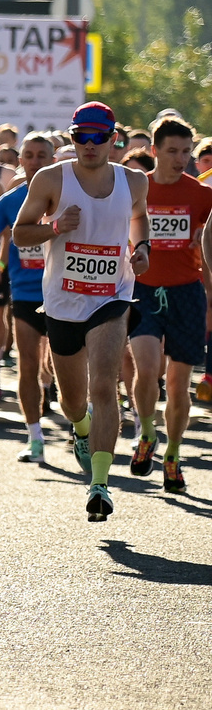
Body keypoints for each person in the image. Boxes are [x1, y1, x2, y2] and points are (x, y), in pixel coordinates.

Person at [12, 100, 149, 521]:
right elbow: (19, 234)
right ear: (72, 139)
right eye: (80, 137)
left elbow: (139, 218)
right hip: (62, 301)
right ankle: (82, 428)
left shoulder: (135, 181)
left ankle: (101, 485)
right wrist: (55, 227)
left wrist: (141, 248)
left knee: (104, 385)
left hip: (112, 295)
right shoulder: (52, 178)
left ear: (114, 140)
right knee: (73, 402)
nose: (89, 145)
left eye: (98, 137)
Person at [128, 114, 212, 491]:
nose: (181, 159)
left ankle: (173, 455)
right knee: (147, 370)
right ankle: (147, 433)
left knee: (179, 385)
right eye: (173, 151)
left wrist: (201, 242)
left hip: (186, 293)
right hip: (142, 290)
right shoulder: (136, 190)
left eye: (186, 152)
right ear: (155, 151)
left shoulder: (202, 195)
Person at [0, 132, 57, 461]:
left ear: (53, 160)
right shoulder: (10, 201)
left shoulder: (68, 197)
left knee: (62, 366)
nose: (36, 161)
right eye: (30, 155)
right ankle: (35, 437)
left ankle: (80, 426)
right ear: (21, 161)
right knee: (28, 365)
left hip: (65, 293)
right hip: (26, 294)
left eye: (43, 155)